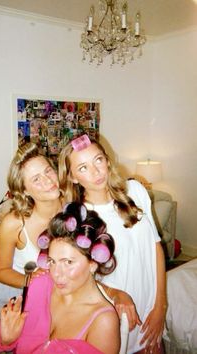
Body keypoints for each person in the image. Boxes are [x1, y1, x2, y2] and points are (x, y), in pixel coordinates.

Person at [58, 134, 167, 354]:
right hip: (118, 313)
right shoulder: (79, 218)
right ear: (73, 177)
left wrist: (161, 305)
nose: (96, 171)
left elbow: (155, 246)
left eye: (98, 160)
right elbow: (81, 278)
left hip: (151, 306)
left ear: (107, 160)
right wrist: (116, 294)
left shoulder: (135, 191)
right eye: (83, 168)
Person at [0, 202, 120, 354]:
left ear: (93, 264)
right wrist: (8, 340)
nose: (56, 274)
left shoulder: (103, 322)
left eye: (68, 262)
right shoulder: (40, 284)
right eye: (52, 262)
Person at [0, 143, 62, 318]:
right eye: (36, 179)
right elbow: (1, 271)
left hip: (56, 300)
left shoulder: (73, 209)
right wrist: (32, 280)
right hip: (17, 299)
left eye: (48, 171)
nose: (48, 181)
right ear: (25, 191)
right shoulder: (14, 223)